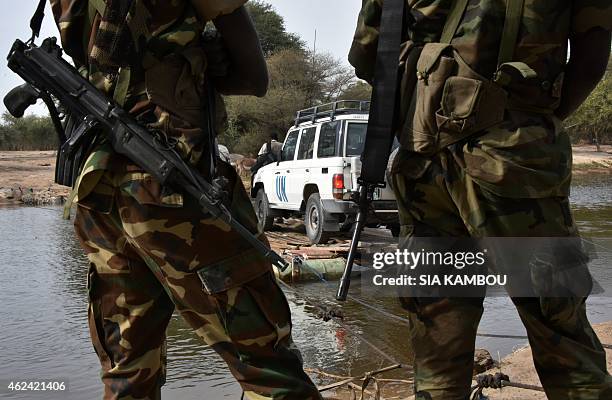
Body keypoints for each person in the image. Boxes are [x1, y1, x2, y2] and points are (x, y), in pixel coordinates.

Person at [49, 1, 322, 399]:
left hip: (98, 187)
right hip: (173, 186)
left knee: (128, 374)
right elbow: (254, 78)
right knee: (268, 366)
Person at [349, 1, 611, 399]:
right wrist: (532, 123)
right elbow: (591, 56)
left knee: (437, 327)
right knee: (559, 327)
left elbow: (370, 56)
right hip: (518, 161)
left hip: (422, 159)